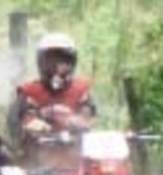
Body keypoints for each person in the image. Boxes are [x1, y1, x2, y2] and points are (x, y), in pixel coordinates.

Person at [11, 32, 98, 164]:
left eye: (63, 62)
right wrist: (37, 123)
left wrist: (73, 120)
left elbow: (88, 118)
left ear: (72, 64)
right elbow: (19, 123)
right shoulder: (29, 91)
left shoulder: (81, 90)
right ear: (41, 63)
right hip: (37, 162)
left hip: (75, 159)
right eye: (51, 62)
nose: (57, 69)